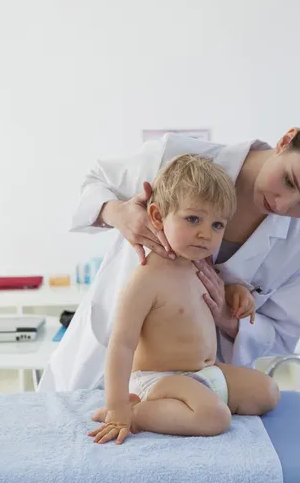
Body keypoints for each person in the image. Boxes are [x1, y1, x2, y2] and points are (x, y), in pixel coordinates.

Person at [37, 117, 300, 392]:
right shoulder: (175, 156)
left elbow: (282, 337)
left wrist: (229, 317)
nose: (283, 205)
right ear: (286, 140)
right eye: (288, 180)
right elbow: (96, 182)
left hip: (192, 385)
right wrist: (118, 213)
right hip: (102, 357)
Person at [88, 154, 275, 446]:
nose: (205, 234)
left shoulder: (199, 265)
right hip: (158, 381)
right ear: (158, 217)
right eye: (193, 219)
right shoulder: (146, 279)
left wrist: (237, 293)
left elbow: (204, 299)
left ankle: (189, 406)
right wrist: (118, 406)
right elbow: (121, 344)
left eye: (217, 225)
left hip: (204, 373)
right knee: (215, 418)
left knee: (267, 392)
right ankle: (138, 413)